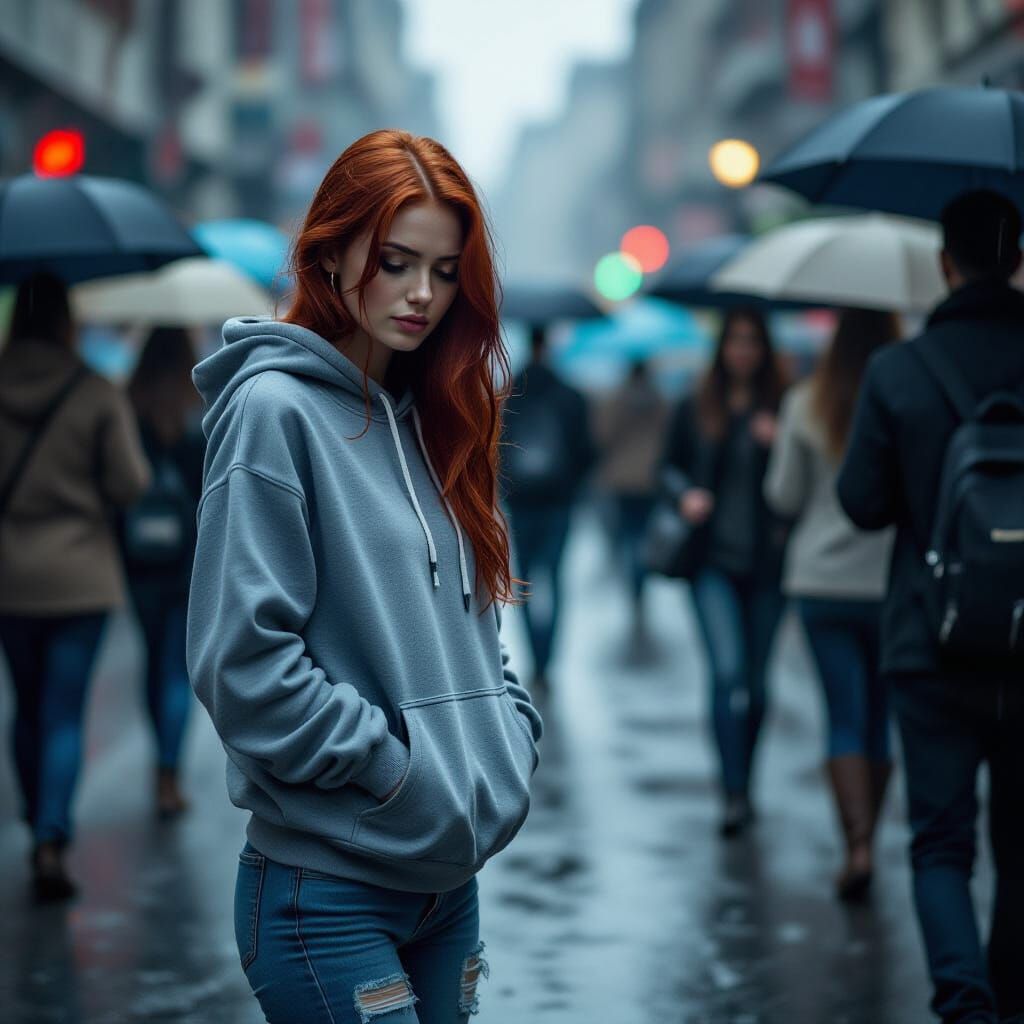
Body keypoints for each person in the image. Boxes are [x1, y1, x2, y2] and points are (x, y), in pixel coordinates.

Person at [186, 130, 542, 1024]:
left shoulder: (442, 415)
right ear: (334, 249)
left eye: (446, 270)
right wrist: (397, 773)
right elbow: (244, 667)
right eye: (394, 262)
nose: (422, 294)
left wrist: (506, 738)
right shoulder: (274, 414)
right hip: (325, 892)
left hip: (447, 889)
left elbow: (477, 630)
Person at [838, 190, 1024, 1024]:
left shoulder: (899, 370)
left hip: (929, 633)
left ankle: (964, 1003)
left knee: (940, 840)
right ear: (1016, 258)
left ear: (946, 262)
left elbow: (862, 503)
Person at [0, 272, 150, 901]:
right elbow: (131, 483)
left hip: (9, 577)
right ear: (66, 321)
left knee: (26, 706)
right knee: (64, 711)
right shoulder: (92, 391)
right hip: (81, 576)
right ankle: (51, 838)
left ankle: (37, 815)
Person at [764, 307, 900, 901]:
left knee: (842, 714)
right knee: (879, 718)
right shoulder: (905, 396)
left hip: (821, 581)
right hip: (891, 582)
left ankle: (857, 846)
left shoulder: (806, 401)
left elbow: (783, 494)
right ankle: (870, 834)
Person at [659, 307, 788, 836]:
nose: (742, 351)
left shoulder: (783, 408)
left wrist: (779, 443)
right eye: (734, 340)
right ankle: (732, 793)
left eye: (751, 342)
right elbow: (666, 468)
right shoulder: (697, 404)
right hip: (710, 560)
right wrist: (685, 494)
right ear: (722, 349)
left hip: (769, 564)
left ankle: (748, 781)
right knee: (727, 673)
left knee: (757, 688)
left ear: (764, 350)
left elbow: (806, 475)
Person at [123, 327, 205, 819]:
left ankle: (160, 761)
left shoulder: (126, 407)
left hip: (138, 559)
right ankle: (168, 774)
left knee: (152, 661)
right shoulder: (199, 411)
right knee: (176, 668)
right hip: (188, 562)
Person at [502, 326, 595, 690]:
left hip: (522, 501)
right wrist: (573, 487)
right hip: (559, 502)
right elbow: (587, 451)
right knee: (554, 579)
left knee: (523, 580)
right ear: (550, 345)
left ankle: (534, 653)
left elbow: (493, 449)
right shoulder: (570, 394)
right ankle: (547, 658)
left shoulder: (510, 393)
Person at [593, 358, 670, 641]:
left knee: (626, 536)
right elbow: (668, 437)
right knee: (643, 535)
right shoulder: (661, 400)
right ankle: (640, 581)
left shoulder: (617, 399)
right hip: (650, 479)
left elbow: (602, 435)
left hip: (621, 480)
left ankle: (633, 581)